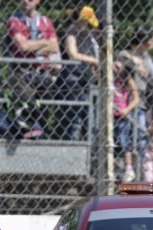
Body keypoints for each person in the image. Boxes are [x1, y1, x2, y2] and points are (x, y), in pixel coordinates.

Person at [6, 0, 60, 139]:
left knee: (45, 109)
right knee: (26, 104)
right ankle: (29, 129)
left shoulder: (45, 21)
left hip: (42, 71)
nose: (25, 1)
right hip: (21, 70)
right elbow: (22, 46)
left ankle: (43, 131)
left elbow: (54, 47)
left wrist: (32, 45)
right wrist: (44, 43)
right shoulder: (14, 20)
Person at [57, 6, 99, 141]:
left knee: (91, 120)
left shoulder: (88, 37)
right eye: (86, 23)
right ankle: (72, 149)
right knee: (75, 120)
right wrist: (93, 60)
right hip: (73, 78)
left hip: (87, 79)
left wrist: (95, 67)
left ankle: (91, 152)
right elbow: (73, 54)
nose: (88, 27)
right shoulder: (71, 33)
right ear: (79, 21)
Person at [112, 60, 139, 182]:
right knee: (111, 142)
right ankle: (114, 169)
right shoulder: (108, 77)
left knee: (124, 141)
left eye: (118, 66)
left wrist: (127, 109)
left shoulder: (127, 80)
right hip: (109, 115)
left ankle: (129, 169)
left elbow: (136, 98)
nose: (115, 67)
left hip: (121, 115)